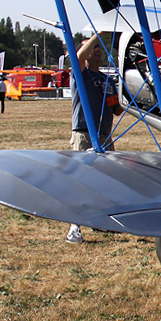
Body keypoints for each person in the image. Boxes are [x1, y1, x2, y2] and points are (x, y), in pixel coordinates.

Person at [66, 34, 124, 243]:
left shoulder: (107, 80)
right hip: (83, 132)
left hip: (104, 135)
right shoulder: (80, 75)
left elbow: (116, 109)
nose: (97, 50)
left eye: (99, 47)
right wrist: (96, 34)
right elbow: (78, 57)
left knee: (106, 180)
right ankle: (75, 227)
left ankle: (102, 221)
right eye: (93, 48)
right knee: (81, 179)